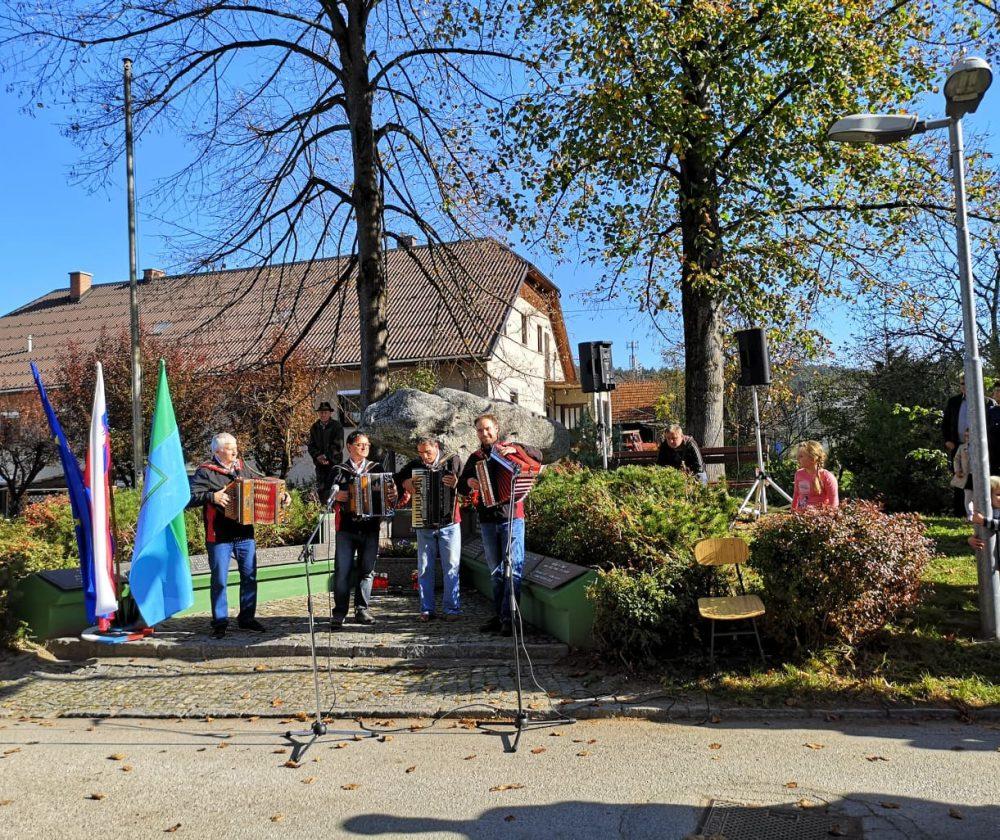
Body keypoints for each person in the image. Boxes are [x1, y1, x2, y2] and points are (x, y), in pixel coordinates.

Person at [459, 413, 542, 637]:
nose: (484, 433)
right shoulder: (475, 458)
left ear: (496, 429)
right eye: (480, 430)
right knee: (495, 572)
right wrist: (469, 482)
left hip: (512, 517)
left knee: (513, 569)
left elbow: (538, 455)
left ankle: (510, 618)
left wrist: (517, 449)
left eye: (487, 429)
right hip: (487, 520)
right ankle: (501, 616)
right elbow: (461, 485)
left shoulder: (510, 448)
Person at [187, 433, 265, 639]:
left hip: (244, 533)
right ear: (217, 451)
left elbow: (260, 487)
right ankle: (220, 622)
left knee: (249, 577)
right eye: (230, 447)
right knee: (220, 580)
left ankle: (247, 618)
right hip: (219, 535)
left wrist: (281, 496)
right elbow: (189, 497)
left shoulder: (243, 468)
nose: (235, 450)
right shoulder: (205, 472)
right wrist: (212, 496)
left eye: (235, 446)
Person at [330, 431, 395, 629]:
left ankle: (361, 609)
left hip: (370, 528)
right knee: (342, 571)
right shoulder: (339, 470)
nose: (365, 447)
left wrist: (392, 493)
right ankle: (339, 612)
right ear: (349, 447)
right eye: (360, 444)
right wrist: (336, 496)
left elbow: (389, 493)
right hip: (346, 528)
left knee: (367, 571)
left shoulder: (376, 468)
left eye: (367, 444)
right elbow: (324, 492)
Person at [396, 437, 462, 622]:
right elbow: (398, 477)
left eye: (428, 452)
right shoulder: (415, 465)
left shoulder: (452, 460)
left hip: (449, 522)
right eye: (420, 453)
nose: (424, 457)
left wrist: (457, 482)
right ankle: (426, 609)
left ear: (436, 447)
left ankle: (452, 609)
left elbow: (467, 483)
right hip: (424, 522)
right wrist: (405, 483)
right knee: (424, 567)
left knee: (451, 567)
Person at [307, 401, 344, 504]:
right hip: (320, 465)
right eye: (321, 412)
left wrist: (327, 456)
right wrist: (318, 456)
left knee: (334, 488)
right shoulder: (314, 427)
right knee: (321, 489)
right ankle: (324, 510)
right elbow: (311, 445)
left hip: (334, 464)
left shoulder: (337, 426)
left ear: (330, 413)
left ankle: (334, 510)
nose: (323, 415)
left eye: (325, 412)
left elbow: (338, 445)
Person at [790, 440, 839, 511]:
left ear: (812, 458)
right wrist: (792, 511)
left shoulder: (827, 477)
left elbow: (834, 504)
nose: (797, 458)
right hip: (800, 516)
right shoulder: (799, 474)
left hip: (818, 517)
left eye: (801, 456)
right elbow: (796, 495)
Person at [968, 475, 1000, 552]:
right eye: (998, 494)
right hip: (991, 553)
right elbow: (979, 532)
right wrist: (971, 540)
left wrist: (984, 521)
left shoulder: (983, 518)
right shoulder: (982, 513)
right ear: (988, 496)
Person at [952, 429, 974, 521]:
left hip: (979, 476)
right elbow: (956, 459)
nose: (966, 437)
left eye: (969, 435)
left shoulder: (980, 446)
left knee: (978, 497)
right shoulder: (962, 447)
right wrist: (957, 470)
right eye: (965, 435)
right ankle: (970, 515)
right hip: (967, 475)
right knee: (968, 496)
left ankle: (980, 516)